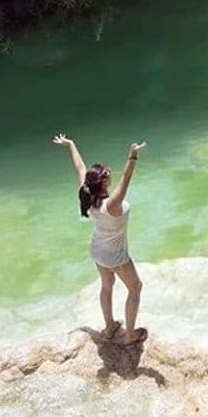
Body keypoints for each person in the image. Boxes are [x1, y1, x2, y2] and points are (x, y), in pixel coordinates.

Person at [53, 133, 148, 344]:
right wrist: (133, 156)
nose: (109, 172)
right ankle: (130, 335)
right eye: (106, 173)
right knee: (135, 288)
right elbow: (126, 179)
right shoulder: (112, 204)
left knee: (107, 285)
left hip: (97, 250)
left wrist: (71, 145)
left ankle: (109, 327)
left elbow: (80, 168)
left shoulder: (87, 194)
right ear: (104, 182)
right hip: (116, 256)